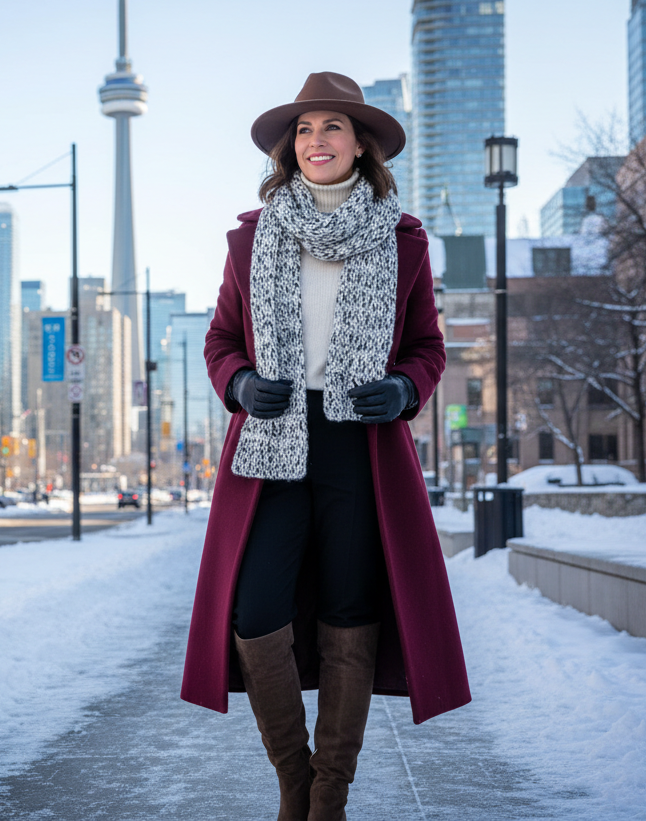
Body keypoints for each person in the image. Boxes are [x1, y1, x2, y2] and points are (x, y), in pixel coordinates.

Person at [180, 72, 471, 820]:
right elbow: (219, 340)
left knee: (351, 606)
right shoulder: (251, 239)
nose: (317, 141)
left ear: (361, 145)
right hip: (272, 441)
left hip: (359, 446)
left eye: (333, 127)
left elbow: (427, 347)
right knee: (254, 610)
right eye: (305, 130)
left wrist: (405, 389)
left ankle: (330, 792)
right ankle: (295, 778)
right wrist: (240, 383)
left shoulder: (404, 242)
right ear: (290, 148)